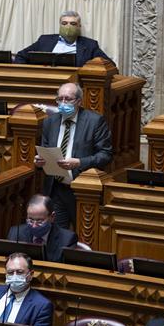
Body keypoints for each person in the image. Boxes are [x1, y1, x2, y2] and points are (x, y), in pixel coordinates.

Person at [34, 82, 113, 229]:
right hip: (56, 189)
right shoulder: (50, 122)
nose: (63, 103)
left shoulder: (95, 121)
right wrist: (39, 162)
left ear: (79, 101)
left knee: (83, 233)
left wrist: (79, 162)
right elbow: (45, 150)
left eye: (68, 99)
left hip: (82, 191)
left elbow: (106, 155)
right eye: (60, 99)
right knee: (57, 236)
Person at [14, 10, 113, 67]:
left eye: (73, 24)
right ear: (60, 25)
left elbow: (110, 64)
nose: (68, 26)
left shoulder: (90, 45)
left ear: (79, 26)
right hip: (45, 82)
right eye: (64, 23)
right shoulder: (45, 40)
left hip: (74, 85)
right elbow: (21, 56)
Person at [7, 194, 78, 263]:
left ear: (52, 217)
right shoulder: (15, 233)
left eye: (39, 221)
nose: (34, 226)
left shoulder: (67, 240)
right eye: (30, 220)